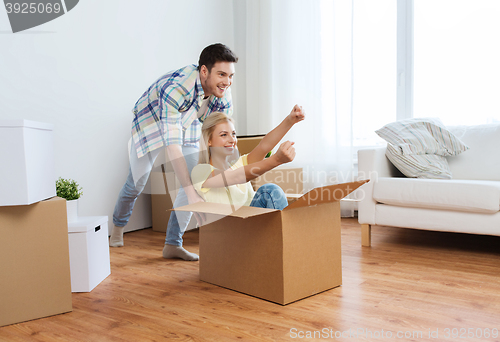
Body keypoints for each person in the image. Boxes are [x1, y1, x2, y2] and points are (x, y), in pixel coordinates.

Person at [109, 43, 238, 261]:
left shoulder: (222, 92)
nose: (227, 81)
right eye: (222, 74)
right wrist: (190, 192)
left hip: (187, 121)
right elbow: (172, 145)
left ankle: (172, 245)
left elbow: (222, 135)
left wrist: (230, 176)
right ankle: (117, 228)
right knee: (136, 184)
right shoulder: (176, 88)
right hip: (150, 123)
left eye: (231, 76)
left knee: (194, 181)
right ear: (204, 71)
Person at [191, 105, 305, 212]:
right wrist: (277, 160)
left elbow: (264, 146)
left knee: (270, 192)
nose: (232, 140)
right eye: (224, 135)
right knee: (270, 191)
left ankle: (286, 232)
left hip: (250, 225)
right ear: (209, 140)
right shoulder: (200, 171)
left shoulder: (239, 163)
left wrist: (290, 121)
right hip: (228, 229)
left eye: (234, 134)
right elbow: (236, 177)